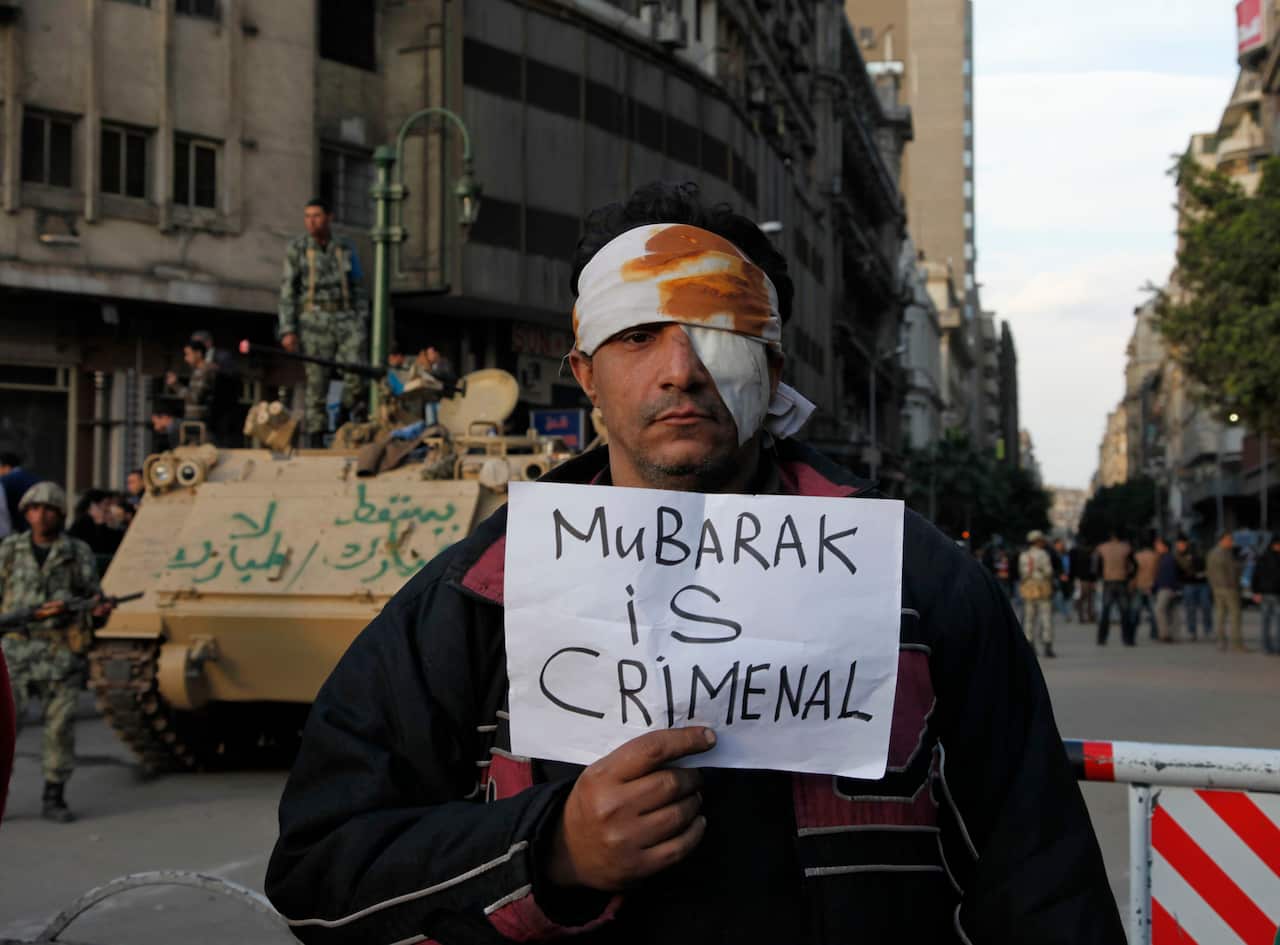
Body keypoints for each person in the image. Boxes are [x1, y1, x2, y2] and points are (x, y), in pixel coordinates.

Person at [265, 183, 1123, 944]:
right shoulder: (478, 595)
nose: (681, 369)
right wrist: (550, 851)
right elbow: (321, 871)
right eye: (638, 335)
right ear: (586, 376)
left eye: (720, 333)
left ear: (775, 369)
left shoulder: (917, 585)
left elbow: (1039, 878)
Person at [0, 482, 112, 822]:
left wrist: (97, 610)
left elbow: (92, 594)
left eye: (49, 509)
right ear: (26, 513)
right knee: (5, 728)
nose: (41, 515)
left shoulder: (76, 551)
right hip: (15, 650)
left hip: (60, 650)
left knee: (60, 726)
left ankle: (54, 794)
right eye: (34, 509)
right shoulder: (10, 549)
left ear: (60, 514)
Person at [278, 197, 370, 446]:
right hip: (314, 320)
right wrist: (288, 329)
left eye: (316, 216)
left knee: (356, 373)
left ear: (329, 217)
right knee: (317, 381)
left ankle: (347, 414)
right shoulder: (298, 248)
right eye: (307, 216)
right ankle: (316, 437)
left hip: (346, 317)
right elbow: (288, 290)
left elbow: (359, 284)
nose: (311, 221)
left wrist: (361, 317)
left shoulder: (344, 246)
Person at [192, 329, 243, 442]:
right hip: (207, 412)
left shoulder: (223, 356)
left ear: (208, 343)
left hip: (225, 409)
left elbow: (235, 374)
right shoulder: (198, 361)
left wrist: (216, 369)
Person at [165, 337, 219, 427]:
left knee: (172, 427)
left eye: (188, 354)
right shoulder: (199, 371)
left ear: (198, 353)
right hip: (195, 418)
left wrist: (176, 385)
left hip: (199, 419)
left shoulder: (204, 371)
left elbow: (195, 398)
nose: (186, 358)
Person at [1019, 530, 1056, 658]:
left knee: (1029, 618)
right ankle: (1047, 644)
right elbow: (1048, 572)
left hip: (1028, 587)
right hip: (1042, 587)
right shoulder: (1043, 555)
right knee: (1045, 617)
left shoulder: (1024, 555)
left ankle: (1029, 643)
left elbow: (1022, 573)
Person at [1095, 530, 1135, 645]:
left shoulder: (1102, 548)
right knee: (1125, 611)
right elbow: (1134, 564)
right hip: (1122, 581)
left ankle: (1101, 639)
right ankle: (1128, 639)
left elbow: (1097, 565)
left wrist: (1101, 576)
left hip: (1108, 581)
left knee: (1105, 611)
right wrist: (1129, 575)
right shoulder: (1126, 548)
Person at [1206, 531, 1244, 652]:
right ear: (1222, 540)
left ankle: (1221, 642)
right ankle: (1236, 644)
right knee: (1235, 615)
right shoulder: (1225, 553)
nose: (1231, 542)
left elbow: (1209, 571)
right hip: (1229, 588)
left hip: (1217, 588)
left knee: (1220, 615)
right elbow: (1232, 572)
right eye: (1229, 540)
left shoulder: (1211, 553)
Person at [1174, 535, 1211, 641]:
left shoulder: (1197, 552)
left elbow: (1205, 564)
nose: (1179, 546)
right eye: (1178, 545)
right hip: (1188, 584)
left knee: (1206, 606)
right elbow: (1179, 570)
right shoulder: (1177, 556)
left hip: (1203, 583)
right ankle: (1192, 631)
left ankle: (1208, 629)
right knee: (1190, 608)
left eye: (1181, 544)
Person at [1249, 534, 1280, 654]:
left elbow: (1255, 575)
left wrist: (1255, 591)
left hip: (1264, 593)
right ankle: (1276, 647)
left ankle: (1266, 647)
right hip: (1275, 594)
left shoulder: (1262, 557)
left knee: (1265, 621)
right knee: (1277, 622)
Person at [0, 453, 39, 535]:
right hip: (37, 526)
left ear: (6, 467)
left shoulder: (5, 481)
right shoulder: (35, 478)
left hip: (16, 531)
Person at [1151, 536, 1181, 643]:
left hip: (1166, 588)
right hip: (1166, 588)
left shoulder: (1168, 559)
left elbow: (1169, 576)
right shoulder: (1164, 558)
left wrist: (1173, 588)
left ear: (1165, 547)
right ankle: (1171, 634)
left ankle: (1165, 634)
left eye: (1158, 545)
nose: (1156, 547)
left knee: (1160, 610)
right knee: (1171, 611)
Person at [1130, 536, 1159, 641]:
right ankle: (1154, 633)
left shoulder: (1137, 556)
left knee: (1135, 611)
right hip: (1151, 585)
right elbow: (1157, 572)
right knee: (1153, 612)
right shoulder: (1155, 556)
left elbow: (1133, 573)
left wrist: (1132, 586)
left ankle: (1132, 633)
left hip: (1139, 585)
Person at [1070, 540, 1097, 622]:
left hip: (1080, 578)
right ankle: (1090, 616)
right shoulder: (1090, 555)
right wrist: (1094, 580)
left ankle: (1082, 616)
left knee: (1082, 598)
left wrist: (1073, 577)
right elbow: (1093, 568)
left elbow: (1073, 567)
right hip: (1088, 579)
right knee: (1089, 598)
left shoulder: (1076, 553)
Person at [1051, 537, 1073, 623]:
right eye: (1060, 544)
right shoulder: (1052, 554)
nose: (1061, 545)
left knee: (1065, 597)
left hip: (1066, 578)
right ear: (1055, 545)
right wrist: (1059, 575)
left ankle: (1066, 614)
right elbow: (1052, 568)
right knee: (1058, 598)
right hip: (1057, 579)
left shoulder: (1065, 554)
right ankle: (1066, 614)